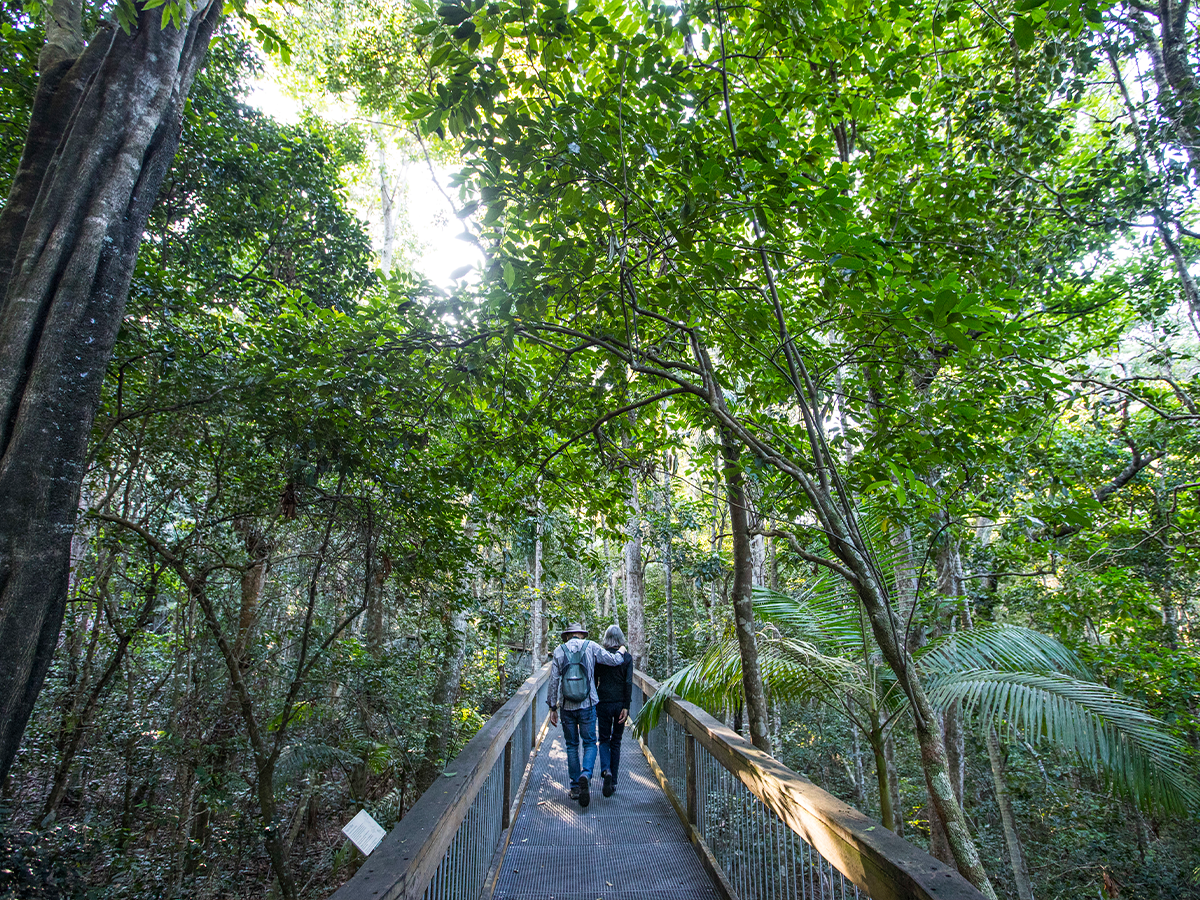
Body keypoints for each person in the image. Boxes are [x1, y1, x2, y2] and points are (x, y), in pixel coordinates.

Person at [547, 622, 626, 808]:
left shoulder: (559, 651)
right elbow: (615, 661)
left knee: (572, 745)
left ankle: (575, 787)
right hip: (588, 704)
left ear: (567, 636)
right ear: (581, 634)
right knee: (590, 743)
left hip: (567, 706)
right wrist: (622, 650)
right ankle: (586, 774)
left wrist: (553, 708)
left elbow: (553, 681)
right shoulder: (591, 646)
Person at [594, 624, 633, 798]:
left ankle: (606, 770)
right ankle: (614, 781)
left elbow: (594, 681)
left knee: (603, 739)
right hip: (619, 704)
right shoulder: (627, 658)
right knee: (616, 741)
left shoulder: (601, 656)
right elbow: (628, 683)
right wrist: (626, 706)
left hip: (602, 702)